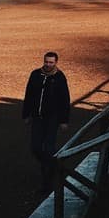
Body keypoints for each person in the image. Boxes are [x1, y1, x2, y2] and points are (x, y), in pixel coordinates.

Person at [22, 51, 71, 192]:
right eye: (46, 62)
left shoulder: (60, 77)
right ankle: (51, 164)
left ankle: (47, 179)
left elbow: (65, 100)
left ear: (56, 63)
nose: (48, 65)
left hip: (52, 119)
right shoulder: (35, 75)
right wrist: (26, 114)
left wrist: (64, 120)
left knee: (49, 147)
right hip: (37, 117)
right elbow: (29, 95)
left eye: (51, 62)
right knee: (35, 147)